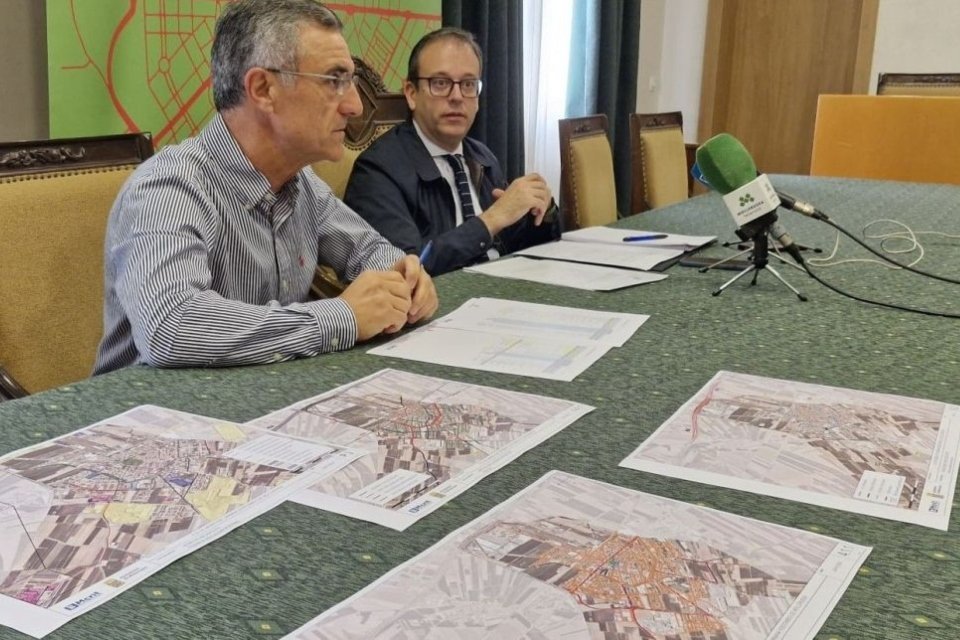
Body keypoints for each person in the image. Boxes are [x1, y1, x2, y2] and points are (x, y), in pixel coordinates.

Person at [93, 0, 437, 375]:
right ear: (263, 88)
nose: (355, 105)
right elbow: (171, 328)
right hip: (148, 419)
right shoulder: (169, 188)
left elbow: (369, 250)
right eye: (334, 80)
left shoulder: (300, 182)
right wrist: (342, 317)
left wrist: (404, 280)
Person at [343, 27, 561, 276]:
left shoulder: (482, 157)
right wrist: (490, 220)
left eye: (468, 84)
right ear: (411, 94)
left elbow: (512, 247)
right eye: (441, 83)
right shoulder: (377, 171)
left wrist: (543, 213)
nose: (457, 96)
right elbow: (406, 270)